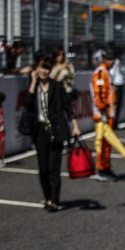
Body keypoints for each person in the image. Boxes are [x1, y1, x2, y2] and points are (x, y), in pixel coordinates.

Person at [24, 55, 81, 211]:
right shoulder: (33, 87)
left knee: (53, 167)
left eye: (47, 68)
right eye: (42, 67)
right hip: (40, 130)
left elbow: (66, 107)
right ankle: (48, 197)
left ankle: (55, 200)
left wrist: (74, 125)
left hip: (56, 129)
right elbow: (28, 105)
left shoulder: (56, 86)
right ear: (37, 68)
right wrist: (33, 82)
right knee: (43, 169)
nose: (44, 71)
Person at [91, 48, 125, 180]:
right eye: (109, 59)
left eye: (113, 58)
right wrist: (103, 111)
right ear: (103, 59)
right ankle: (102, 169)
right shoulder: (101, 73)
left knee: (107, 145)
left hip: (108, 114)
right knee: (102, 144)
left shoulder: (106, 72)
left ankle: (106, 167)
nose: (111, 61)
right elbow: (100, 94)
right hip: (102, 115)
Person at [109, 45, 125, 127]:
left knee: (118, 105)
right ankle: (113, 122)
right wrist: (112, 84)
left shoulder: (118, 62)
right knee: (115, 105)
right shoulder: (114, 62)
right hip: (116, 85)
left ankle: (115, 122)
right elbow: (112, 74)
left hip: (119, 84)